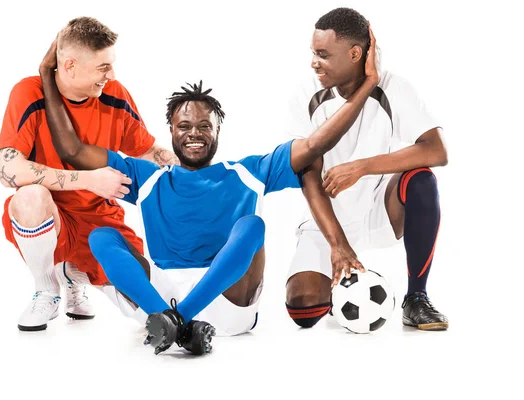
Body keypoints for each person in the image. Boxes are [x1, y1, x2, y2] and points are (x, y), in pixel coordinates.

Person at [38, 26, 381, 355]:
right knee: (101, 237)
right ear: (171, 130)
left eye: (205, 126)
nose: (194, 133)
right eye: (184, 126)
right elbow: (73, 150)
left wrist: (368, 85)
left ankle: (175, 321)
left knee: (253, 226)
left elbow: (315, 143)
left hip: (226, 300)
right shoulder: (147, 176)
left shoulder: (248, 172)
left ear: (218, 129)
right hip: (158, 297)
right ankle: (177, 324)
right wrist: (46, 75)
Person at [0, 17, 178, 332]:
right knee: (29, 197)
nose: (111, 75)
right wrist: (89, 180)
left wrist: (182, 168)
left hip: (101, 221)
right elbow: (8, 170)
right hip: (54, 217)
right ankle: (47, 287)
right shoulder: (28, 91)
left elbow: (147, 149)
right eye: (103, 67)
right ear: (69, 66)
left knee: (157, 306)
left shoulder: (115, 94)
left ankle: (74, 274)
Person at [284, 8, 449, 331]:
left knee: (422, 179)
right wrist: (337, 244)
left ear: (355, 53)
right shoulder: (306, 95)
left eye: (323, 54)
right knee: (303, 310)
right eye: (313, 53)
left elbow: (437, 150)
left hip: (378, 211)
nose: (313, 62)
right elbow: (308, 176)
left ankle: (416, 297)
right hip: (326, 218)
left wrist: (361, 167)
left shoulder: (394, 88)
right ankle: (347, 289)